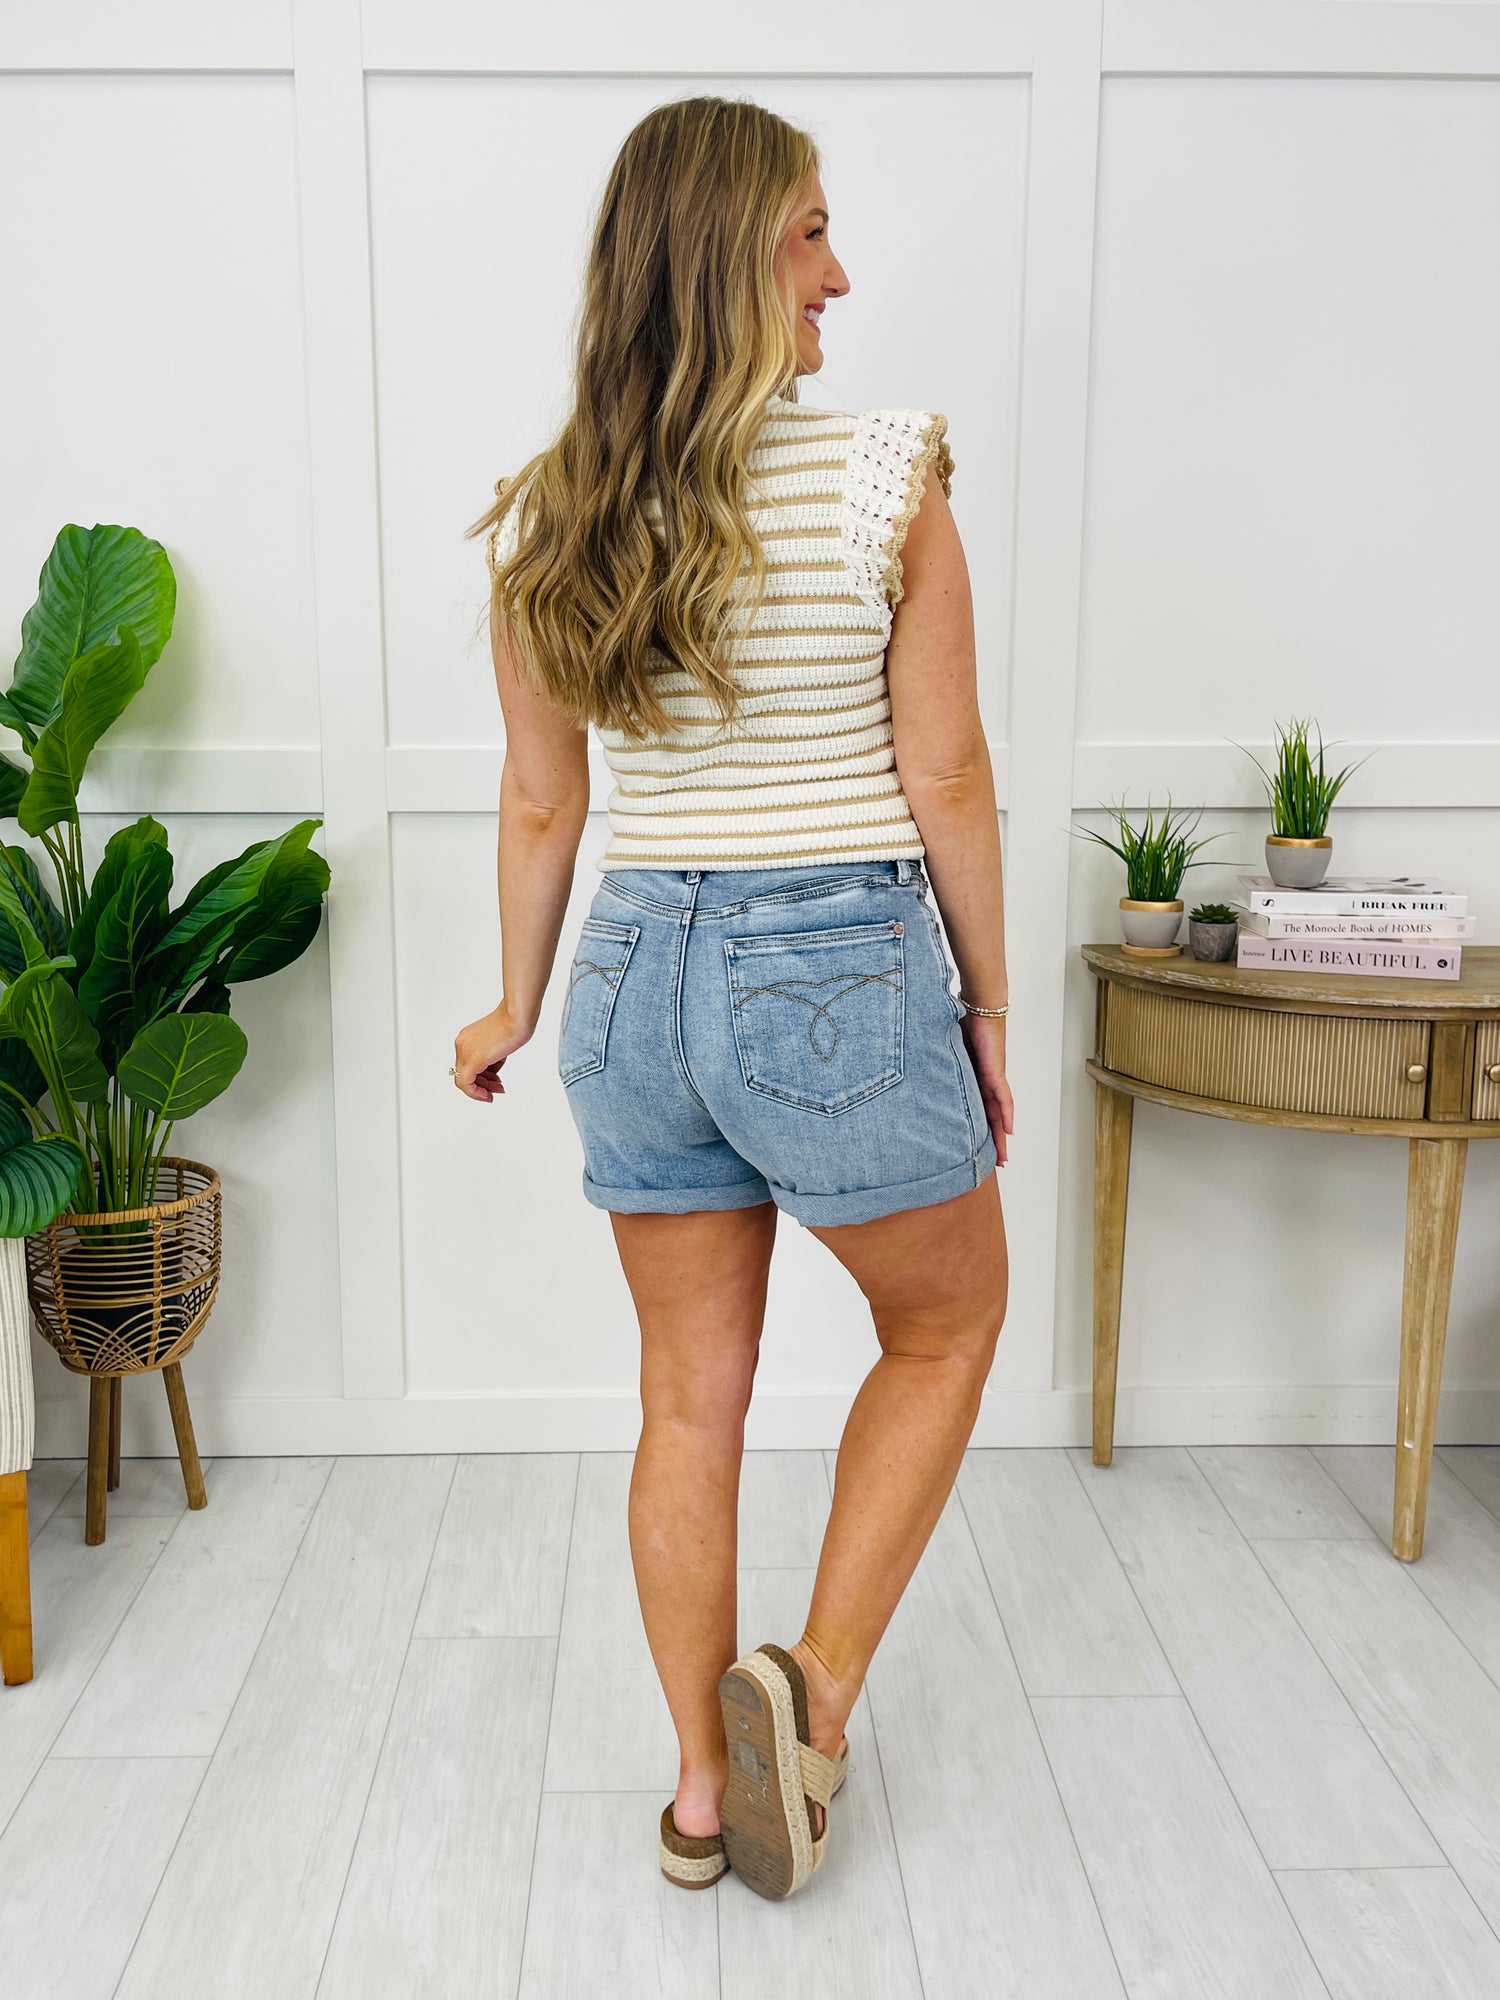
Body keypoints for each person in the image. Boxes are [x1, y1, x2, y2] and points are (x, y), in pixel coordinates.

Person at [452, 95, 1013, 1902]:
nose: (839, 275)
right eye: (810, 232)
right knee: (948, 1326)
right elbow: (948, 779)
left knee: (687, 1396)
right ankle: (811, 1702)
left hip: (632, 975)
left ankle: (702, 1792)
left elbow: (544, 801)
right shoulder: (885, 477)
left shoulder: (553, 516)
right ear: (724, 254)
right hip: (831, 963)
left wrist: (514, 1003)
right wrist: (986, 1007)